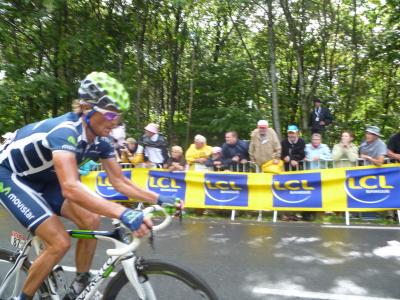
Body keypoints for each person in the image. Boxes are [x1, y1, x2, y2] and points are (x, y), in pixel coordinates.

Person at [0, 72, 177, 300]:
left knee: (91, 220)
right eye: (110, 114)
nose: (115, 123)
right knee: (59, 242)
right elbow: (71, 188)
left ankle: (80, 284)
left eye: (119, 116)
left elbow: (120, 181)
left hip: (45, 178)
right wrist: (124, 213)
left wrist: (159, 199)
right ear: (85, 108)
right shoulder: (66, 131)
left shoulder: (102, 140)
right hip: (11, 176)